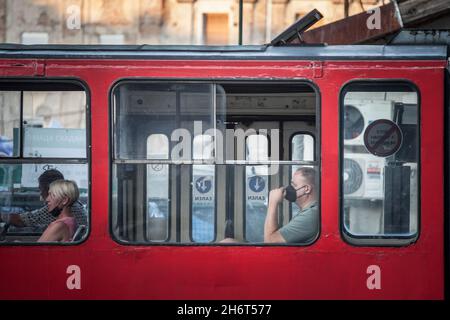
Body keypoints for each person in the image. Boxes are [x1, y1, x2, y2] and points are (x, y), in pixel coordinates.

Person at [0, 169, 87, 229]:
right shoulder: (74, 204)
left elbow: (21, 220)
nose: (41, 195)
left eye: (41, 190)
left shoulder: (58, 213)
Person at [264, 167, 318, 244]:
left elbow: (270, 241)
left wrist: (273, 202)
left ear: (306, 189)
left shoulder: (311, 215)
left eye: (293, 185)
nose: (289, 188)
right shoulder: (308, 211)